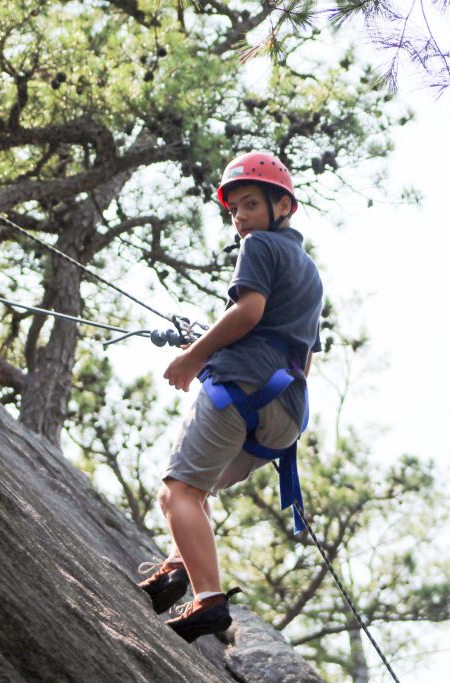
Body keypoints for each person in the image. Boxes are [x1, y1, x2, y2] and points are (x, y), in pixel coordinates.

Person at [137, 151, 324, 643]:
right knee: (183, 495)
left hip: (239, 389)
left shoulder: (261, 246)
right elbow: (302, 357)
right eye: (233, 210)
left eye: (249, 205)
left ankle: (208, 600)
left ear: (281, 206)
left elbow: (248, 312)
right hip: (283, 414)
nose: (239, 218)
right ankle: (178, 569)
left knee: (180, 490)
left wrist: (192, 357)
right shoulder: (310, 274)